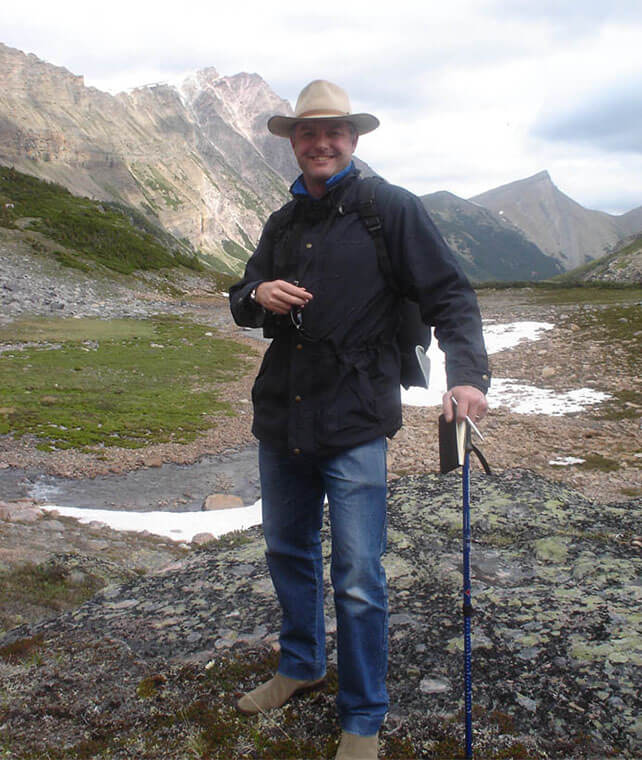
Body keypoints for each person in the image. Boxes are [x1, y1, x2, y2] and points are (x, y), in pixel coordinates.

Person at [229, 79, 490, 760]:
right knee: (287, 551)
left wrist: (466, 376)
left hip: (354, 417)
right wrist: (258, 292)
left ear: (353, 140)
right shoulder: (281, 223)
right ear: (293, 142)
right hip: (281, 417)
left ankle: (364, 714)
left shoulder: (389, 209)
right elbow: (239, 297)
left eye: (334, 132)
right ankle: (301, 664)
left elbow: (450, 296)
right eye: (308, 133)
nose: (321, 142)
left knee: (358, 573)